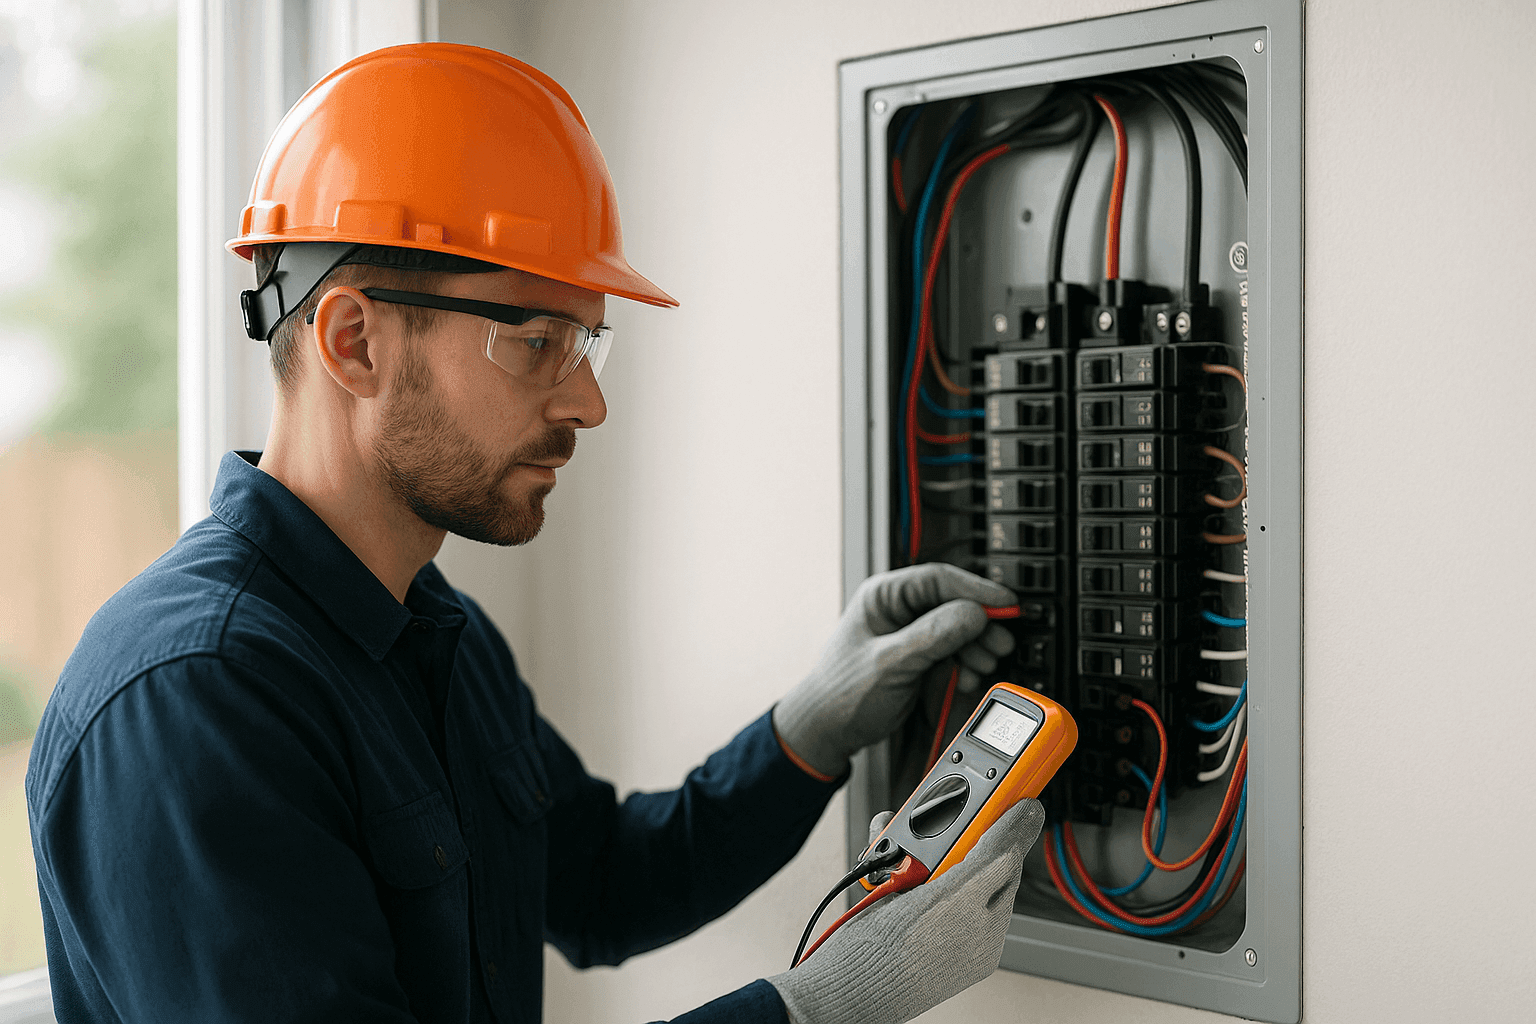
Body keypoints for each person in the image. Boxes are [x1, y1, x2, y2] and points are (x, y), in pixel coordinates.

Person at [26, 43, 1044, 1024]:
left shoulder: (434, 631)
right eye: (538, 340)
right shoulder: (192, 700)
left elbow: (608, 883)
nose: (590, 401)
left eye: (587, 340)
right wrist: (816, 1008)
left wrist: (811, 729)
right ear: (353, 340)